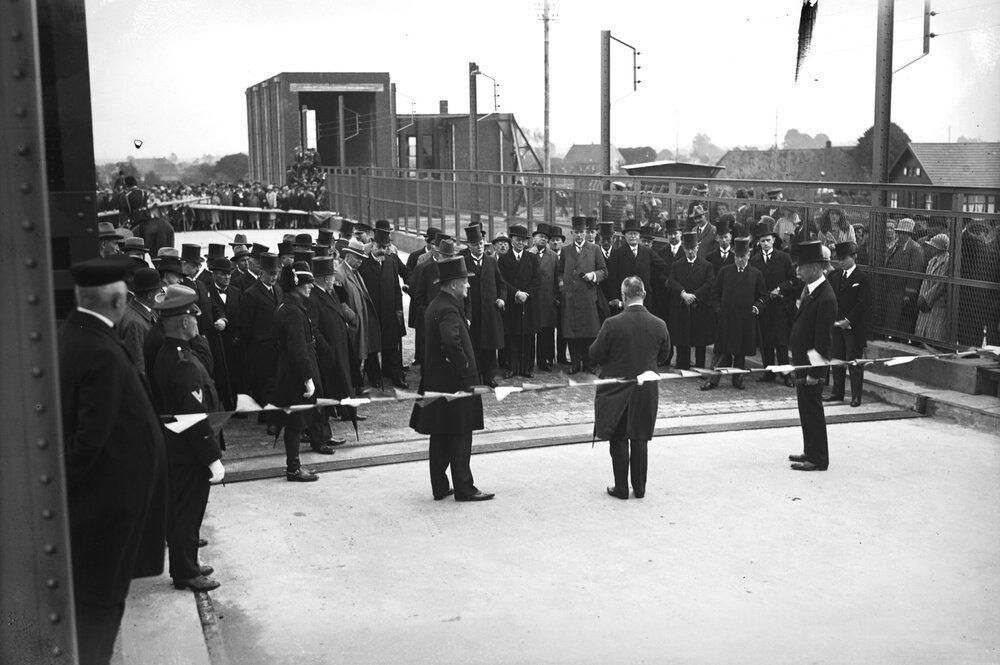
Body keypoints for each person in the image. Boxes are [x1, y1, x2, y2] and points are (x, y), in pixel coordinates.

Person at [58, 256, 168, 665]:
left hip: (101, 505)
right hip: (105, 510)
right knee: (100, 611)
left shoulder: (79, 335)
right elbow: (89, 440)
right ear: (119, 301)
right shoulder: (100, 349)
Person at [151, 285, 225, 592]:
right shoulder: (183, 364)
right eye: (194, 316)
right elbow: (194, 419)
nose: (197, 320)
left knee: (185, 511)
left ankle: (188, 563)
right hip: (187, 452)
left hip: (176, 448)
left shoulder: (169, 353)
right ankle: (185, 572)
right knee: (187, 513)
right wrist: (212, 458)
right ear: (184, 321)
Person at [409, 256, 494, 502]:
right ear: (454, 284)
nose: (468, 285)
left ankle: (439, 486)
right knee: (460, 434)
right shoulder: (448, 308)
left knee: (441, 434)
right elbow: (450, 341)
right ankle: (464, 488)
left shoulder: (437, 304)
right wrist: (465, 366)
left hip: (438, 381)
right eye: (465, 281)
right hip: (456, 383)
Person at [589, 276, 671, 499]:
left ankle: (621, 488)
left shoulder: (612, 323)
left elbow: (595, 353)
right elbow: (664, 355)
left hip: (617, 391)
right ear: (643, 294)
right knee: (640, 437)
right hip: (646, 390)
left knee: (619, 437)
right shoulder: (659, 324)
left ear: (623, 296)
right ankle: (640, 487)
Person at [272, 262, 327, 480]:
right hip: (295, 375)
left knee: (295, 422)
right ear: (296, 285)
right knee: (295, 423)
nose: (311, 286)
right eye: (307, 283)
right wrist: (307, 379)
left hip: (289, 371)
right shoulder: (293, 311)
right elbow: (298, 349)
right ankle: (293, 468)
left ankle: (294, 466)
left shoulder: (287, 307)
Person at [787, 241, 837, 472]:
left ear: (816, 268)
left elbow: (823, 342)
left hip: (812, 367)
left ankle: (819, 458)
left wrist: (815, 374)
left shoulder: (825, 297)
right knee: (805, 409)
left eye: (802, 266)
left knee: (813, 409)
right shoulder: (811, 290)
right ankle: (810, 449)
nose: (798, 270)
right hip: (803, 362)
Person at [702, 237, 768, 390]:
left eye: (743, 256)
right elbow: (715, 293)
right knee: (720, 351)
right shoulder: (725, 272)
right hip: (726, 319)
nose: (740, 260)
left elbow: (763, 296)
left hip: (744, 319)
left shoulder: (756, 274)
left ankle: (737, 379)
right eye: (737, 256)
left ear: (748, 255)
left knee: (740, 352)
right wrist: (719, 309)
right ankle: (713, 380)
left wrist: (757, 307)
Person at [749, 217, 798, 386]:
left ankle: (786, 375)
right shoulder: (754, 260)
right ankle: (768, 372)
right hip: (764, 307)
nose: (765, 244)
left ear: (774, 240)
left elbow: (794, 280)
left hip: (780, 307)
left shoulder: (783, 258)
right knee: (766, 341)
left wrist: (780, 289)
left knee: (781, 342)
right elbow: (752, 282)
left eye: (768, 240)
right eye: (762, 241)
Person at [824, 242, 872, 407]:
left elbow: (864, 303)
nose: (840, 262)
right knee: (837, 359)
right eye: (839, 259)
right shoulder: (835, 276)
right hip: (837, 325)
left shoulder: (862, 278)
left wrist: (848, 320)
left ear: (854, 257)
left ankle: (856, 396)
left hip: (853, 327)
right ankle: (837, 392)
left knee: (854, 362)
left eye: (844, 259)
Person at [558, 216, 608, 374]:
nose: (579, 235)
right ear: (572, 233)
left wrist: (593, 275)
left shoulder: (595, 249)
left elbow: (604, 271)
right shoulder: (566, 250)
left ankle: (588, 363)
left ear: (586, 232)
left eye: (581, 232)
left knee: (589, 332)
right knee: (572, 333)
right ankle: (574, 364)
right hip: (570, 297)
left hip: (588, 296)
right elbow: (559, 271)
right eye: (576, 232)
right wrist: (561, 285)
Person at [461, 224, 507, 387]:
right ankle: (475, 376)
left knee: (489, 346)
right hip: (472, 312)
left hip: (490, 311)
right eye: (475, 244)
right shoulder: (464, 262)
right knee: (473, 346)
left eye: (481, 243)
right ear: (469, 246)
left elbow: (501, 284)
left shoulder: (491, 261)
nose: (479, 247)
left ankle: (489, 377)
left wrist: (501, 299)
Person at [666, 232, 716, 369]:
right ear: (683, 248)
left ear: (697, 248)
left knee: (700, 340)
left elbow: (709, 284)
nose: (690, 251)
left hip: (699, 307)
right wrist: (683, 294)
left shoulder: (706, 265)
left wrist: (694, 296)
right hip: (681, 306)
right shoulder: (676, 265)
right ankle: (682, 365)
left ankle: (700, 367)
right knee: (682, 338)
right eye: (687, 248)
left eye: (693, 248)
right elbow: (671, 282)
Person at [499, 224, 542, 378]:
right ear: (512, 240)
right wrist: (516, 292)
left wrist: (526, 294)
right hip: (512, 302)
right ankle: (513, 368)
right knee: (512, 336)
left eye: (523, 241)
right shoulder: (504, 259)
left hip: (528, 303)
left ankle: (526, 368)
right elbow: (502, 280)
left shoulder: (532, 258)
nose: (521, 243)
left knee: (528, 336)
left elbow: (537, 280)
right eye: (518, 240)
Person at [915, 233, 951, 342]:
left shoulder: (948, 262)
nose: (930, 248)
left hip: (937, 302)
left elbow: (941, 284)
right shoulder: (932, 261)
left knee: (935, 335)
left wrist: (926, 298)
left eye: (932, 246)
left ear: (937, 248)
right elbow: (925, 281)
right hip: (926, 300)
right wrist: (921, 296)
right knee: (923, 334)